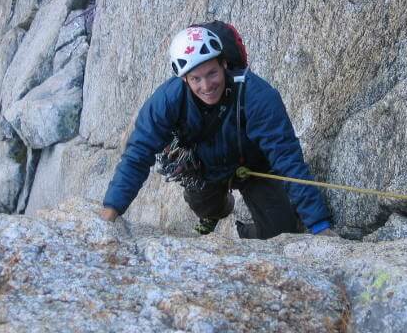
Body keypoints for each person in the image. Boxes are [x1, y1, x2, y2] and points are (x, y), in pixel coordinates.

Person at [100, 25, 334, 239]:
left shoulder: (256, 95)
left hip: (255, 169)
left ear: (224, 64)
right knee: (204, 205)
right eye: (196, 79)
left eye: (212, 73)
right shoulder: (167, 101)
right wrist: (111, 211)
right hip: (205, 169)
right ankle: (216, 211)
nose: (206, 86)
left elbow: (287, 158)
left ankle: (242, 235)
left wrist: (319, 225)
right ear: (184, 79)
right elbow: (137, 155)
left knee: (282, 230)